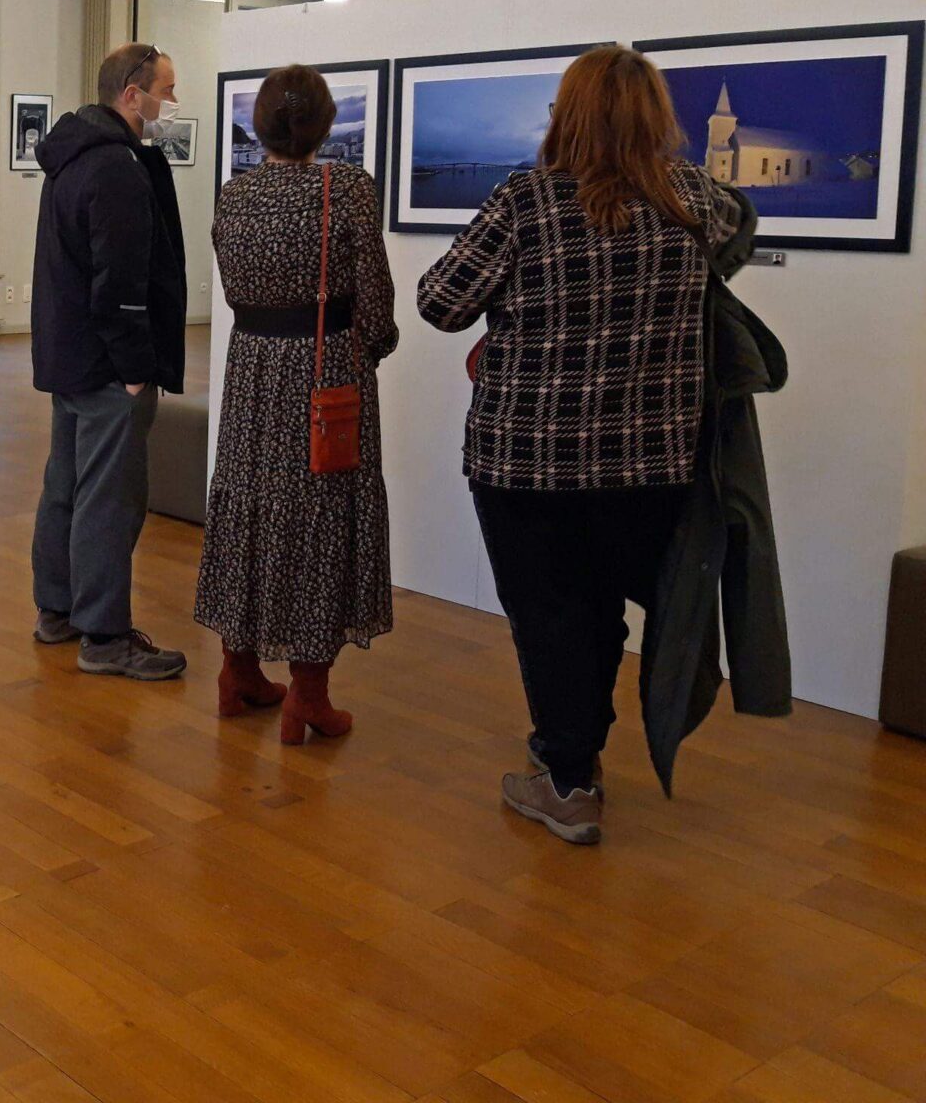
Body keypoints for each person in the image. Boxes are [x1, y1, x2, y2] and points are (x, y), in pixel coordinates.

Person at [417, 45, 745, 846]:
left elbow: (439, 303)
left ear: (566, 115)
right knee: (601, 612)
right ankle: (577, 753)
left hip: (527, 457)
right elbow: (736, 235)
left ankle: (566, 778)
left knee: (550, 616)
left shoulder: (526, 201)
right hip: (650, 460)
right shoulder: (695, 200)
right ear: (656, 117)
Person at [194, 66, 398, 741]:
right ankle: (308, 695)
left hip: (251, 367)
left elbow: (233, 285)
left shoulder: (235, 194)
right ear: (323, 124)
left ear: (261, 125)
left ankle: (238, 671)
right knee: (322, 514)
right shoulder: (348, 188)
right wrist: (372, 348)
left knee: (248, 507)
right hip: (323, 369)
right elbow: (375, 303)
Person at [29, 43, 189, 681]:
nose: (171, 103)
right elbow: (120, 280)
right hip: (106, 364)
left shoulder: (73, 156)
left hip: (70, 354)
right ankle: (103, 635)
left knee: (66, 487)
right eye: (166, 90)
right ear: (132, 94)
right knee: (109, 499)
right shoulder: (115, 166)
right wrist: (133, 368)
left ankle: (59, 610)